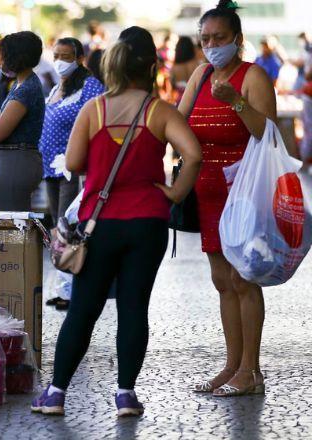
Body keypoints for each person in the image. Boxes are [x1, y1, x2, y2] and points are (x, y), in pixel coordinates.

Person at [31, 26, 202, 417]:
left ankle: (56, 394)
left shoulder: (96, 109)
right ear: (152, 66)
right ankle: (125, 395)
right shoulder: (160, 111)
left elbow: (73, 164)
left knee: (83, 309)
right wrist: (174, 194)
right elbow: (192, 154)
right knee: (134, 307)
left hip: (99, 224)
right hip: (148, 223)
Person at [179, 0, 276, 397]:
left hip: (245, 192)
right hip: (208, 191)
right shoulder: (200, 74)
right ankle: (231, 365)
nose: (211, 45)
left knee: (243, 278)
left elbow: (268, 133)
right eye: (205, 38)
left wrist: (234, 102)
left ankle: (250, 371)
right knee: (222, 280)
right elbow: (177, 121)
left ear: (237, 39)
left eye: (219, 38)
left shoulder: (253, 76)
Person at [39, 38, 103, 232]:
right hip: (50, 167)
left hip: (72, 168)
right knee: (58, 224)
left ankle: (72, 261)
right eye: (56, 56)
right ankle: (64, 261)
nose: (59, 61)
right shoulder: (57, 87)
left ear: (80, 58)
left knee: (67, 224)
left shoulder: (89, 86)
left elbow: (99, 122)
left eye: (66, 57)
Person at [0, 31, 45, 211]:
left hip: (15, 162)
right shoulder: (21, 84)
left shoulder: (26, 89)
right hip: (10, 161)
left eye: (2, 56)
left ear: (15, 57)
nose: (0, 61)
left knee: (10, 229)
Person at [171, 36, 201, 104]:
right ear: (191, 48)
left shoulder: (174, 68)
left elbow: (172, 86)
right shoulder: (198, 65)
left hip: (180, 102)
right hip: (196, 101)